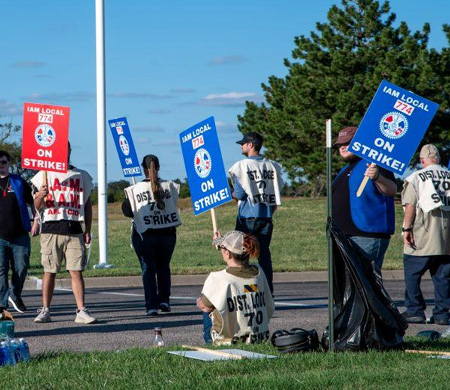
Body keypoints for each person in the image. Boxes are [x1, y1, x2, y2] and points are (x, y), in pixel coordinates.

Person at [31, 143, 96, 324]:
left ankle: (81, 310)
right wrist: (40, 196)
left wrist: (88, 229)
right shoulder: (45, 174)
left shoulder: (81, 175)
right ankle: (45, 309)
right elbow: (36, 207)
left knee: (76, 271)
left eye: (65, 150)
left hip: (74, 228)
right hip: (51, 228)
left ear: (69, 151)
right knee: (49, 271)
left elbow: (87, 205)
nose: (62, 153)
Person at [122, 154, 181, 316]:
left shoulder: (135, 189)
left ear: (143, 169)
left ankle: (151, 305)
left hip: (145, 235)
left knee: (148, 270)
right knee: (163, 267)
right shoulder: (171, 186)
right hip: (167, 234)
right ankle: (164, 300)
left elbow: (127, 212)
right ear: (159, 167)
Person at [332, 126, 396, 274]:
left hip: (366, 235)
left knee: (365, 286)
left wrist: (377, 177)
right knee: (354, 285)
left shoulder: (376, 162)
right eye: (340, 144)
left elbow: (392, 189)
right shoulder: (346, 169)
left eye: (348, 143)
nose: (343, 147)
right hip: (346, 236)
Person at [197, 230, 275, 345]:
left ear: (227, 253)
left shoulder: (218, 278)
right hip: (257, 336)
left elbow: (205, 307)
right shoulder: (258, 272)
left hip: (230, 341)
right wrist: (222, 246)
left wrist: (198, 302)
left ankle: (211, 342)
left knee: (207, 303)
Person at [228, 132, 283, 294]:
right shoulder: (272, 166)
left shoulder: (242, 166)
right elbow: (276, 195)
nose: (241, 146)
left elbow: (239, 195)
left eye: (243, 143)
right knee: (264, 256)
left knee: (241, 255)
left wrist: (228, 193)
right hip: (266, 217)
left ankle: (245, 290)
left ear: (251, 145)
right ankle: (267, 292)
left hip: (247, 218)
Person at [401, 144, 450, 325]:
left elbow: (411, 206)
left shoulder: (415, 177)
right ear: (437, 158)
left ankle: (415, 310)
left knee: (412, 274)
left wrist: (406, 229)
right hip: (445, 238)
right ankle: (442, 313)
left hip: (422, 233)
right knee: (443, 277)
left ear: (422, 160)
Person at [0, 150, 38, 316]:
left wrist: (36, 220)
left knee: (21, 268)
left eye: (3, 162)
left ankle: (15, 295)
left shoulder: (18, 181)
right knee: (0, 271)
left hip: (20, 234)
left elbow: (33, 203)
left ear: (8, 163)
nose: (1, 166)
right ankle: (2, 303)